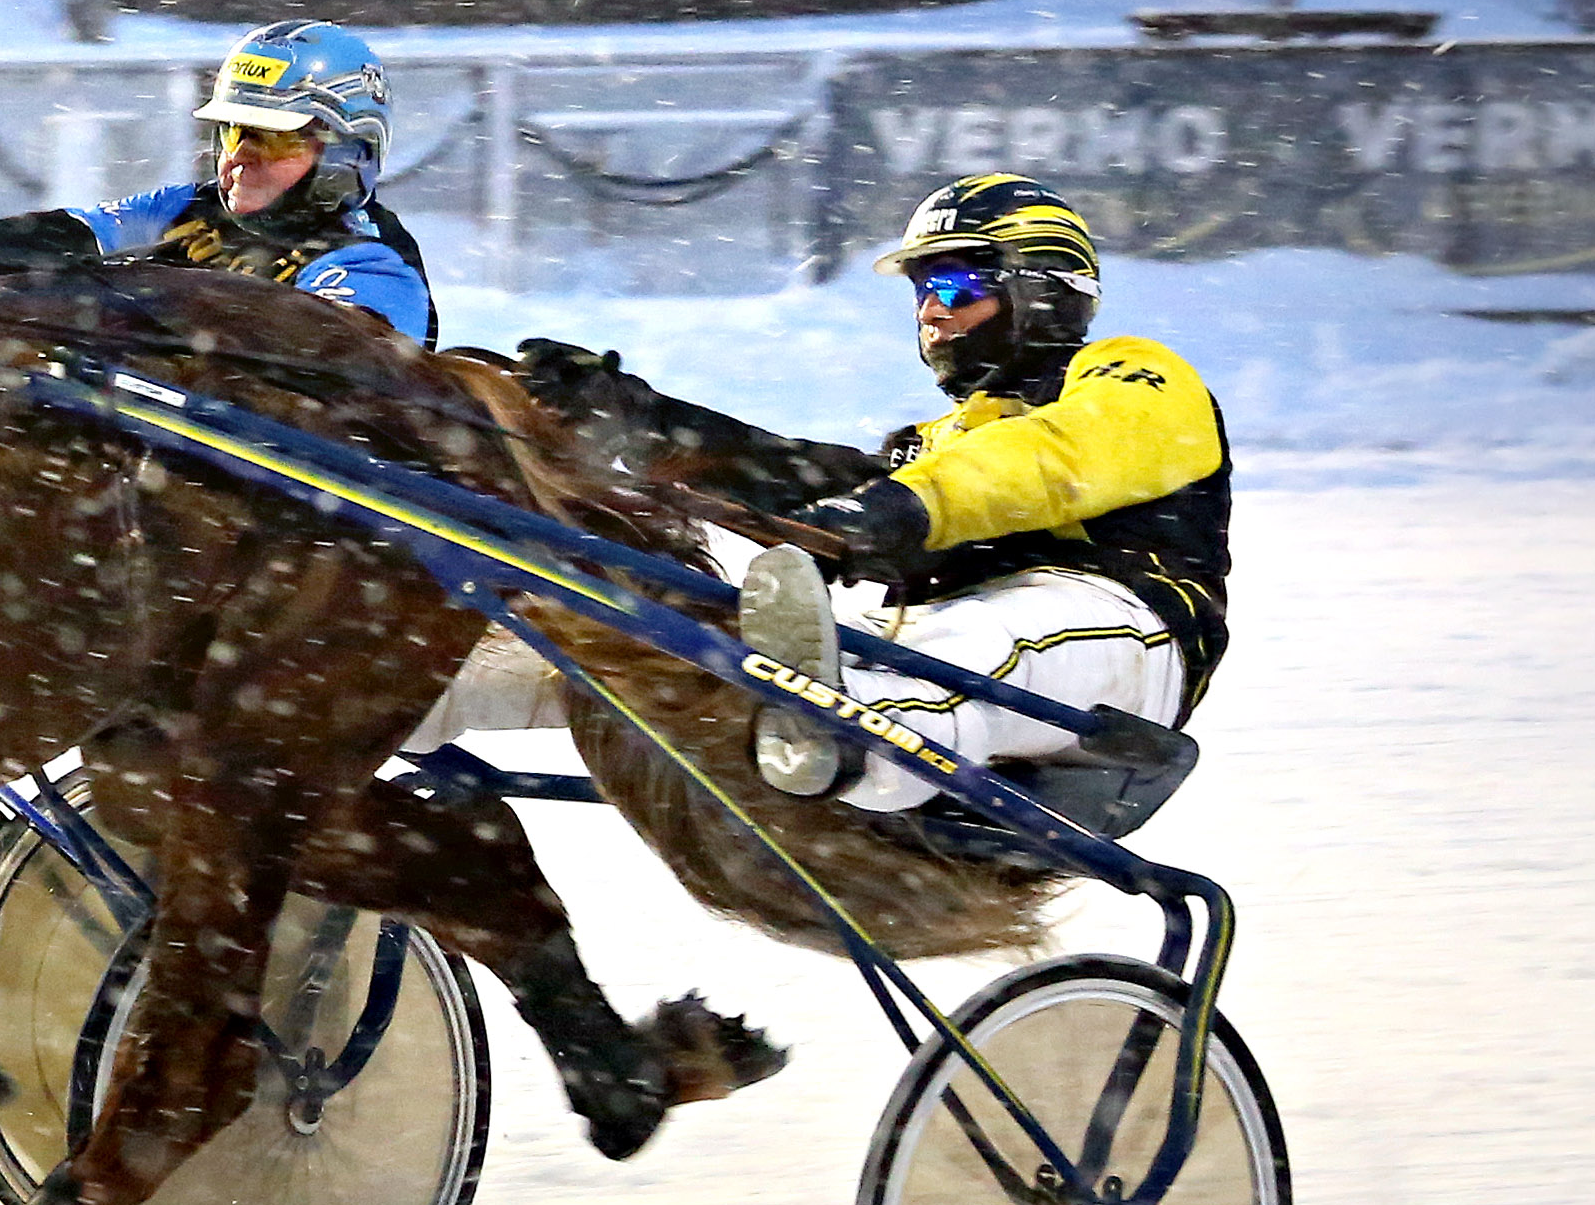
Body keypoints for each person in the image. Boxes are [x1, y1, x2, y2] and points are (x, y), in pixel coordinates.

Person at [519, 173, 1229, 826]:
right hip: (951, 631)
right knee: (727, 656)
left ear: (1039, 288)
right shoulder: (937, 445)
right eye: (921, 289)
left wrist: (895, 512)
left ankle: (838, 737)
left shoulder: (1136, 376)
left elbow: (1049, 459)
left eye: (955, 286)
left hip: (1123, 637)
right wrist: (644, 420)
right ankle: (486, 693)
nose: (932, 310)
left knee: (974, 647)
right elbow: (818, 481)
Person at [0, 20, 437, 345]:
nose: (238, 156)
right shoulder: (184, 208)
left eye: (273, 139)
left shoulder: (373, 262)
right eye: (233, 131)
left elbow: (311, 359)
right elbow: (50, 237)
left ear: (345, 157)